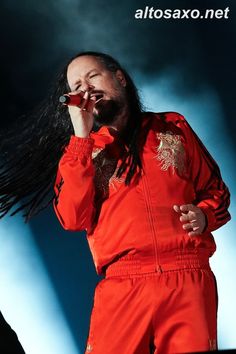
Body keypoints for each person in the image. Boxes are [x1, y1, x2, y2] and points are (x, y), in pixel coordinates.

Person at [0, 51, 231, 353]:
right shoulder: (82, 153)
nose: (86, 88)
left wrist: (204, 215)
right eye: (77, 85)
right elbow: (71, 217)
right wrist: (81, 136)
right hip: (124, 285)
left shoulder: (173, 128)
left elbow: (216, 191)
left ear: (119, 77)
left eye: (92, 76)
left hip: (187, 279)